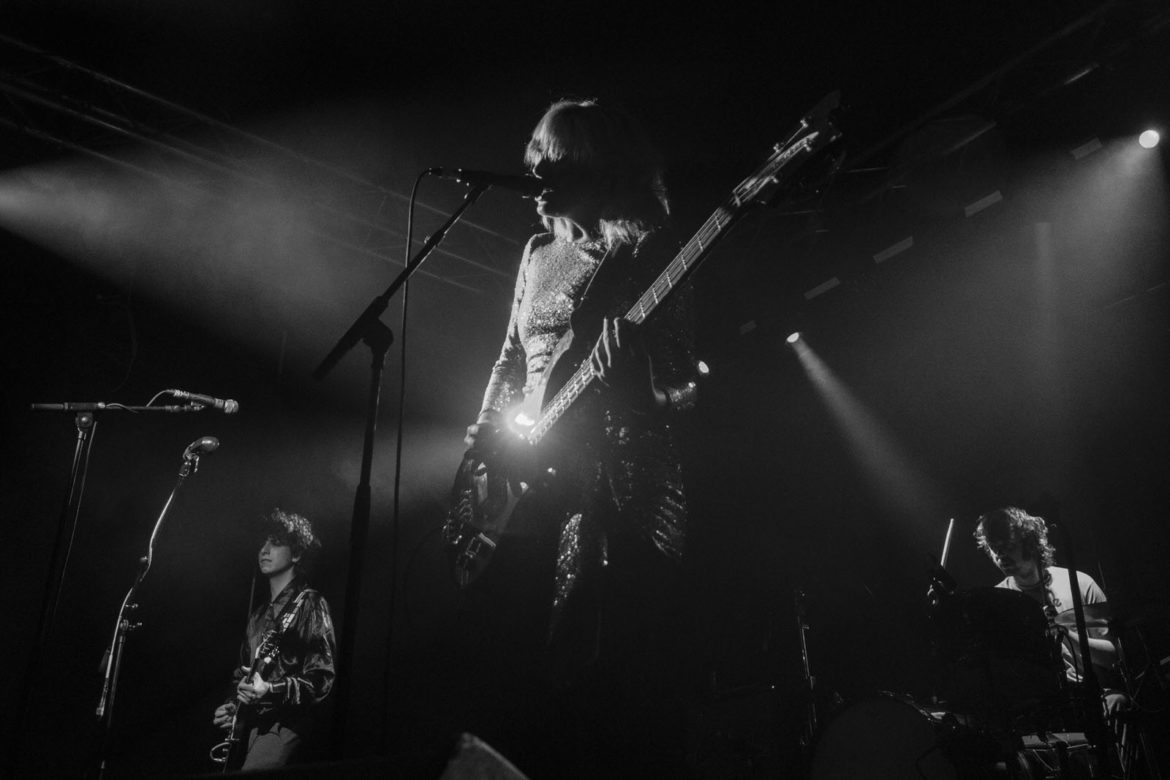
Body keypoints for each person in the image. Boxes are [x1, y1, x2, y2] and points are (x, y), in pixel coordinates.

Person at [459, 98, 699, 775]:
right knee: (516, 675)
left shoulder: (648, 252)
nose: (538, 177)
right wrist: (482, 436)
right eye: (537, 162)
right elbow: (510, 357)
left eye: (557, 164)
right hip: (529, 480)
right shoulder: (536, 254)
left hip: (623, 489)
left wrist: (637, 384)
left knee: (604, 680)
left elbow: (685, 390)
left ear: (604, 169)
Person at [211, 509, 336, 771]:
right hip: (250, 730)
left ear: (297, 554)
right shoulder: (257, 616)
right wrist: (232, 705)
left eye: (276, 543)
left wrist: (269, 690)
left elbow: (321, 679)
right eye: (263, 543)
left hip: (286, 727)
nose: (264, 550)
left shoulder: (310, 603)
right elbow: (242, 675)